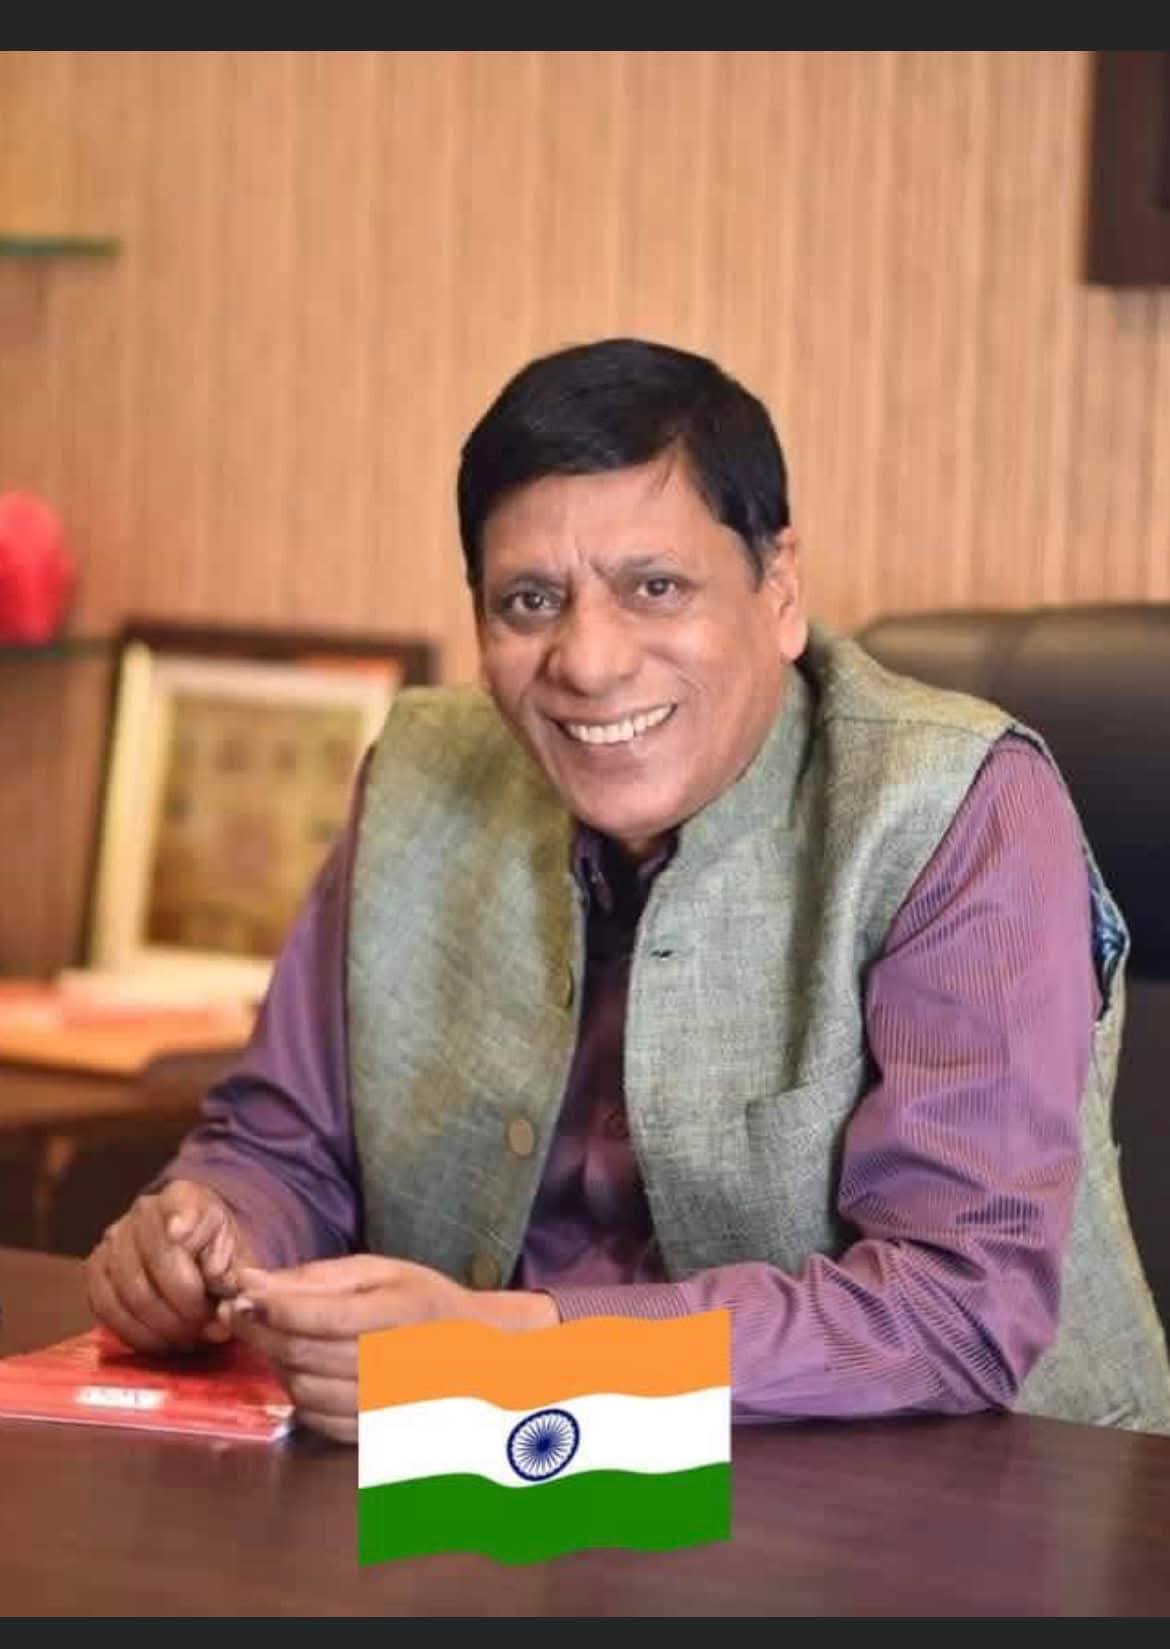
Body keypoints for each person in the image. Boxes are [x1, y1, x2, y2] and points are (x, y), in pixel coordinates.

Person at [86, 338, 1170, 1444]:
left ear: (779, 588)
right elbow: (281, 1145)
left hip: (948, 1497)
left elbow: (956, 1308)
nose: (589, 662)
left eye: (656, 588)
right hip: (502, 1477)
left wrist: (516, 1350)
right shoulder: (421, 770)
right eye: (529, 601)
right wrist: (211, 1236)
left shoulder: (954, 802)